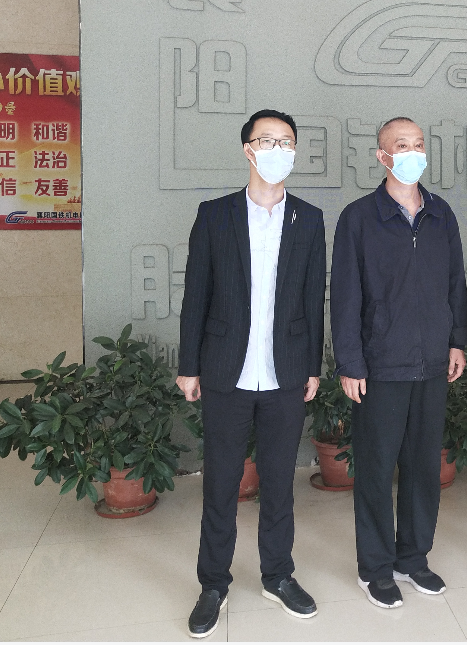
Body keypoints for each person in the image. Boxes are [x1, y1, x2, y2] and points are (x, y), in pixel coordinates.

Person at [177, 109, 326, 637]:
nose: (278, 150)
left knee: (280, 483)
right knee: (221, 482)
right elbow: (196, 293)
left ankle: (278, 575)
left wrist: (313, 366)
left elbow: (313, 298)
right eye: (268, 140)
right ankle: (213, 583)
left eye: (287, 142)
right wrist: (188, 365)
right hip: (226, 370)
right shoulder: (214, 215)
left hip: (286, 372)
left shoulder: (308, 218)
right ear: (248, 149)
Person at [330, 117, 467, 609]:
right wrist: (351, 362)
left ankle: (413, 558)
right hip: (380, 365)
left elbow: (455, 283)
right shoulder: (359, 218)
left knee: (422, 467)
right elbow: (345, 295)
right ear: (382, 156)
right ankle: (374, 567)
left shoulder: (441, 214)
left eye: (418, 144)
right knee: (375, 468)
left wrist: (457, 342)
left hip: (432, 363)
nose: (412, 153)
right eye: (401, 145)